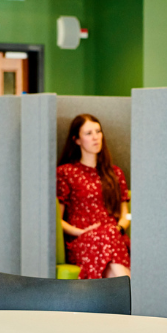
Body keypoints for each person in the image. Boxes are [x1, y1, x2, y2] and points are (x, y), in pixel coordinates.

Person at [56, 114, 131, 279]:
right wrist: (80, 232)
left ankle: (126, 295)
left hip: (114, 236)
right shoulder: (65, 172)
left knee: (109, 237)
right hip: (82, 240)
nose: (96, 137)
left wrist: (118, 229)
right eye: (89, 133)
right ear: (77, 140)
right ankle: (132, 293)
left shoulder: (115, 173)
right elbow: (57, 219)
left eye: (98, 131)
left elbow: (125, 213)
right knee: (107, 241)